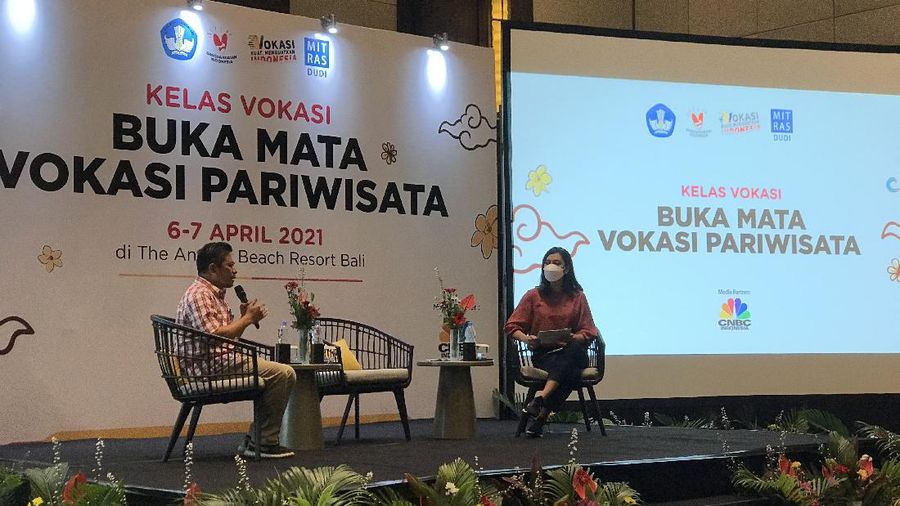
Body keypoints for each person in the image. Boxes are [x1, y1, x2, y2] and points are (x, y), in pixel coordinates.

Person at [176, 242, 297, 458]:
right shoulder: (200, 295)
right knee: (282, 373)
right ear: (213, 268)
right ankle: (263, 442)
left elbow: (224, 338)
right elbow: (214, 337)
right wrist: (247, 319)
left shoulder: (214, 295)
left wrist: (243, 319)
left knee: (283, 373)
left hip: (217, 362)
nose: (235, 271)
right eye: (230, 265)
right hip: (207, 369)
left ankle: (256, 439)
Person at [504, 246, 599, 438]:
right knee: (571, 372)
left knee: (572, 351)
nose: (551, 266)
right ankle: (541, 417)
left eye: (556, 263)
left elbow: (589, 330)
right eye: (547, 262)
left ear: (566, 268)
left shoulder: (577, 297)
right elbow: (512, 326)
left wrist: (572, 337)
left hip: (573, 350)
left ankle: (541, 397)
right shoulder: (533, 296)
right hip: (545, 354)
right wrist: (526, 339)